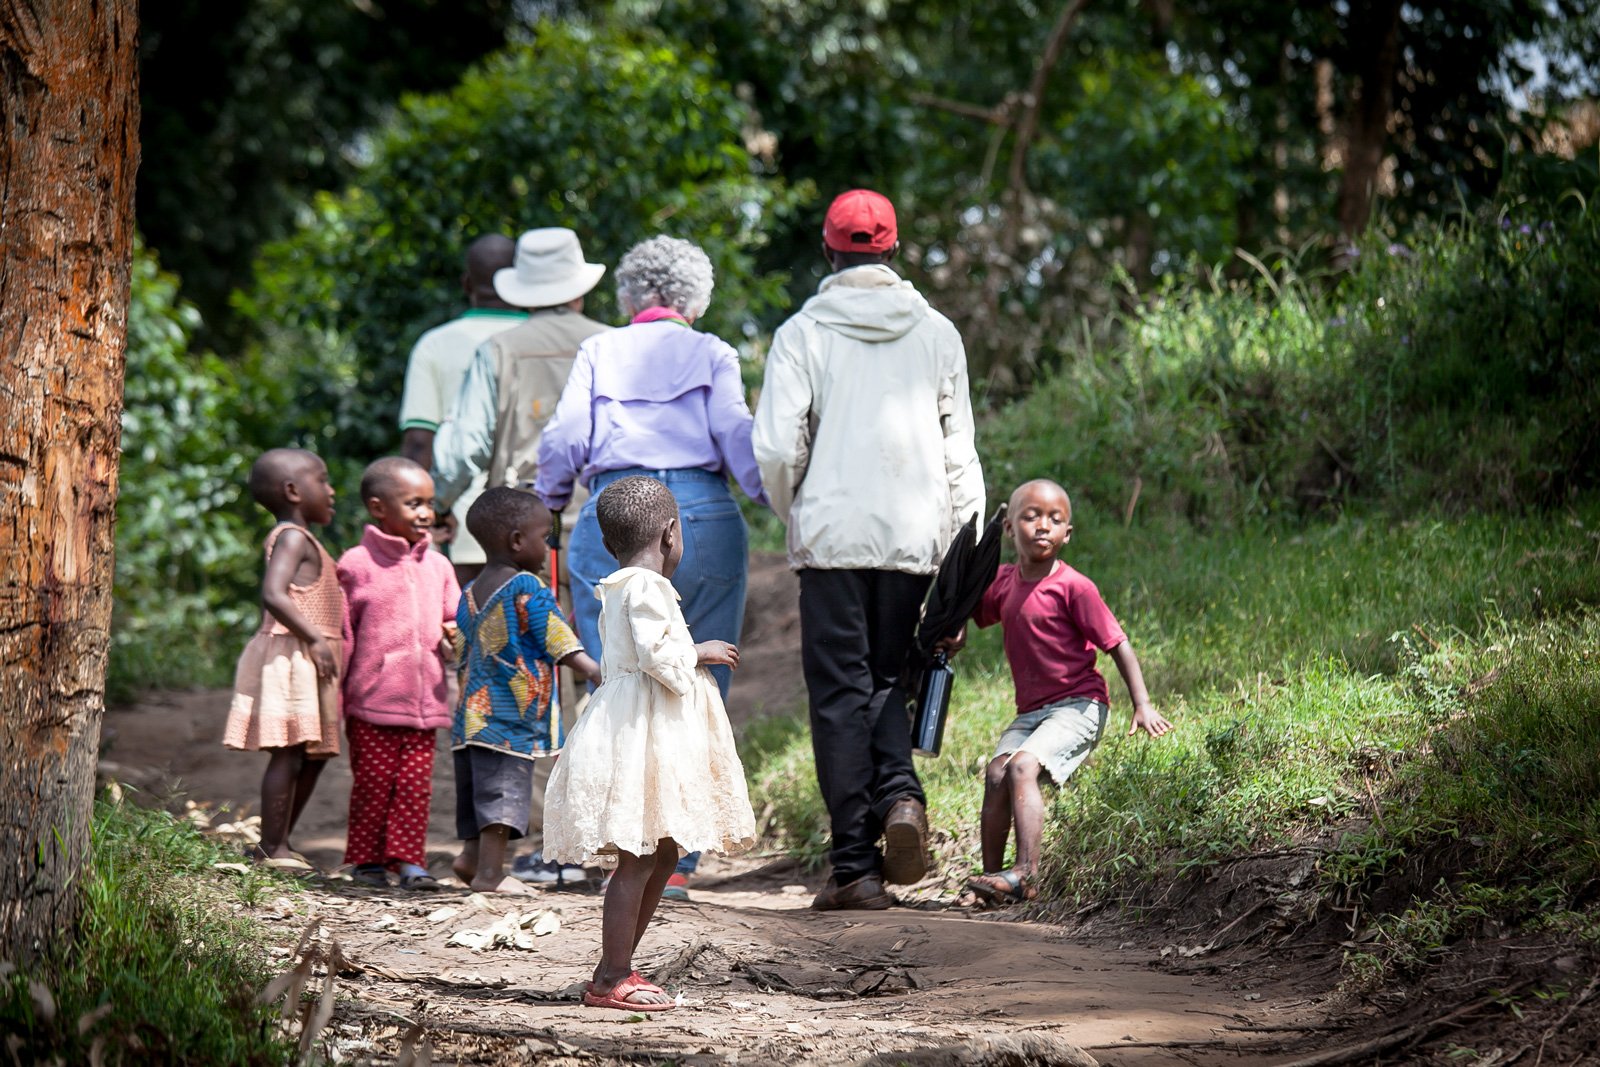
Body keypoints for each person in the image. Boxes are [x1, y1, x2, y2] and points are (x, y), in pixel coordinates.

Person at [752, 188, 985, 911]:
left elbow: (774, 444)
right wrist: (965, 552)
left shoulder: (802, 333)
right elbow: (960, 451)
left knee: (838, 696)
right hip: (917, 535)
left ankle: (855, 866)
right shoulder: (937, 331)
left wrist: (802, 510)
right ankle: (901, 796)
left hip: (833, 539)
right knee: (893, 678)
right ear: (892, 249)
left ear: (829, 251)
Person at [536, 235, 766, 901]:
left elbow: (566, 438)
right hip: (702, 516)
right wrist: (765, 495)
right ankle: (679, 853)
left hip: (616, 510)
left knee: (618, 676)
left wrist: (549, 500)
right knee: (696, 677)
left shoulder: (600, 350)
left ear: (629, 297)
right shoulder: (714, 352)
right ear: (696, 300)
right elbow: (735, 433)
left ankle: (619, 843)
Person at [431, 226, 610, 886]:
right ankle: (589, 840)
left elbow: (462, 448)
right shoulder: (607, 344)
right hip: (597, 522)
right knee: (585, 670)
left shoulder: (498, 349)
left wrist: (446, 506)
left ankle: (506, 844)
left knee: (518, 672)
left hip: (518, 521)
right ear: (580, 284)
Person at [543, 477, 756, 1011]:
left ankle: (616, 968)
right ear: (670, 533)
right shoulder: (642, 585)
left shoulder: (631, 584)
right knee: (638, 858)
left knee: (662, 854)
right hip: (640, 737)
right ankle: (612, 975)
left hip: (651, 735)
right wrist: (700, 650)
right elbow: (658, 658)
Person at [952, 479, 1173, 905]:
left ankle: (1026, 874)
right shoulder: (1002, 582)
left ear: (1067, 533)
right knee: (996, 773)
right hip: (1031, 712)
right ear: (1011, 530)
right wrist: (953, 628)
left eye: (1055, 519)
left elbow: (1117, 643)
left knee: (1021, 768)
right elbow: (965, 606)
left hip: (1080, 704)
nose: (1043, 526)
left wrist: (1142, 703)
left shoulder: (1075, 587)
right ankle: (991, 882)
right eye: (1031, 516)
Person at [450, 487, 600, 894]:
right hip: (509, 717)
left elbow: (460, 650)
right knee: (504, 794)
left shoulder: (469, 592)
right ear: (517, 541)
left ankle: (469, 858)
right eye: (543, 537)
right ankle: (490, 874)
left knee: (478, 790)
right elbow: (556, 636)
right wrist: (593, 670)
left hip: (471, 716)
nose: (548, 545)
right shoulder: (528, 586)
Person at [336, 457, 461, 890]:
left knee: (413, 788)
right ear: (378, 508)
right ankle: (367, 862)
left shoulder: (439, 566)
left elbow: (454, 619)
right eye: (413, 503)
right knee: (372, 785)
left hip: (425, 704)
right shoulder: (355, 564)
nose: (426, 512)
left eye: (429, 503)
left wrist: (453, 636)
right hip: (372, 702)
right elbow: (343, 636)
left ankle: (409, 861)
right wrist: (337, 702)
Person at [223, 448, 345, 873]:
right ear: (293, 491)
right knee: (290, 751)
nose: (331, 491)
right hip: (295, 654)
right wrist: (313, 637)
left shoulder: (304, 539)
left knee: (313, 754)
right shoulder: (293, 537)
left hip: (313, 658)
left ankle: (277, 844)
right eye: (323, 480)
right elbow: (274, 594)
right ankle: (273, 848)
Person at [398, 234, 525, 585]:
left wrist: (420, 515)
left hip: (461, 527)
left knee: (466, 632)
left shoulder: (436, 345)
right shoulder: (539, 339)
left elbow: (420, 444)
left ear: (467, 283)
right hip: (535, 526)